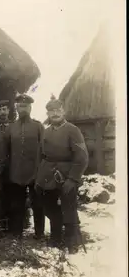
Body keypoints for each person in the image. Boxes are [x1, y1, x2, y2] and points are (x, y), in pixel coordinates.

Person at [35, 96, 89, 253]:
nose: (55, 113)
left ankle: (72, 242)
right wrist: (39, 178)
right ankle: (55, 238)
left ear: (63, 111)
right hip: (47, 176)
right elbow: (41, 155)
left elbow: (82, 157)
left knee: (69, 209)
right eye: (51, 111)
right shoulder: (46, 131)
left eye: (58, 110)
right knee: (51, 209)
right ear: (48, 113)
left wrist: (73, 179)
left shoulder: (73, 130)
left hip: (66, 175)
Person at [5, 94, 45, 238]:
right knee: (16, 205)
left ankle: (39, 234)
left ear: (30, 108)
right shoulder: (10, 128)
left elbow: (44, 150)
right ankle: (17, 234)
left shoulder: (38, 126)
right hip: (15, 173)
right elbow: (6, 151)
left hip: (35, 173)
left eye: (26, 106)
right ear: (16, 107)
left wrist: (41, 171)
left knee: (38, 205)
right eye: (20, 106)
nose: (23, 109)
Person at [0, 100, 12, 229]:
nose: (2, 112)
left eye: (4, 109)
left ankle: (13, 226)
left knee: (12, 196)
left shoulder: (14, 127)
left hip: (12, 167)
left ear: (9, 111)